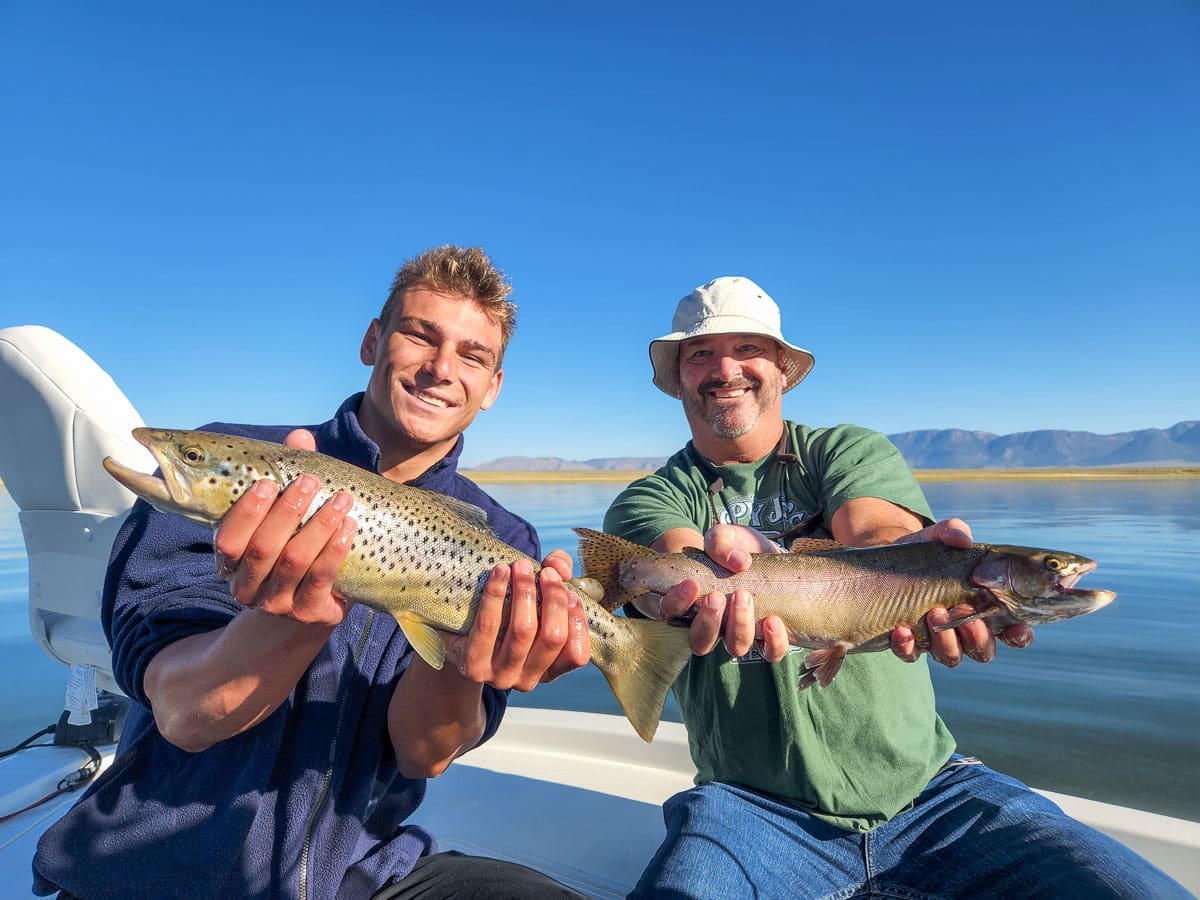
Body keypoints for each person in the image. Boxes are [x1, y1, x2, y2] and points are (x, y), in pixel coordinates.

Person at [33, 246, 591, 900]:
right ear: (373, 340)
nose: (442, 368)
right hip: (159, 865)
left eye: (473, 355)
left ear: (492, 386)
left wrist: (464, 659)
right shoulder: (250, 463)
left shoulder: (504, 541)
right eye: (420, 334)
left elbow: (424, 754)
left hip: (363, 870)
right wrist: (285, 617)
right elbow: (188, 713)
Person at [604, 276, 1189, 898]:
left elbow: (879, 527)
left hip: (937, 800)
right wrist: (688, 583)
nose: (726, 369)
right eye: (701, 354)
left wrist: (911, 555)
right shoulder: (651, 495)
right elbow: (660, 563)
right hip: (748, 810)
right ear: (681, 376)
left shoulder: (844, 450)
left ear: (780, 366)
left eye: (748, 348)